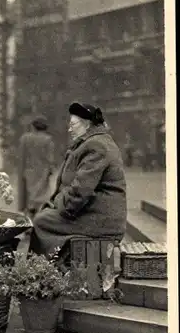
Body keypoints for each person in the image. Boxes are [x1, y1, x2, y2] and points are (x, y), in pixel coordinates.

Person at [29, 102, 127, 258]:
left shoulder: (96, 145)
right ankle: (49, 267)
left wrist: (59, 203)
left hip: (101, 220)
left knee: (42, 221)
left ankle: (41, 271)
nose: (69, 129)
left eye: (73, 124)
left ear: (87, 125)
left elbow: (80, 193)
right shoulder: (95, 142)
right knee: (45, 214)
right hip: (96, 213)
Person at [18, 115, 55, 218]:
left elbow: (21, 157)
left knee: (28, 200)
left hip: (27, 173)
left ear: (33, 127)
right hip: (42, 173)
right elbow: (50, 159)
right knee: (41, 200)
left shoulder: (25, 138)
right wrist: (50, 171)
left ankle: (28, 223)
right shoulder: (48, 140)